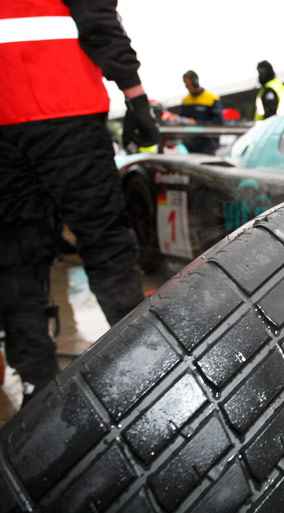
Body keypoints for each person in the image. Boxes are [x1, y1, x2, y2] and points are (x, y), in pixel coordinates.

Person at [0, 0, 159, 404]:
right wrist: (135, 96)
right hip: (64, 105)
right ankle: (142, 366)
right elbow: (96, 18)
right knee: (104, 239)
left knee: (16, 253)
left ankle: (36, 382)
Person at [180, 70, 224, 154]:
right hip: (190, 145)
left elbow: (218, 123)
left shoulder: (212, 98)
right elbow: (183, 118)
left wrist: (196, 123)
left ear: (195, 82)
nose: (186, 87)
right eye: (185, 84)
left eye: (188, 83)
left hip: (208, 145)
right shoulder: (185, 100)